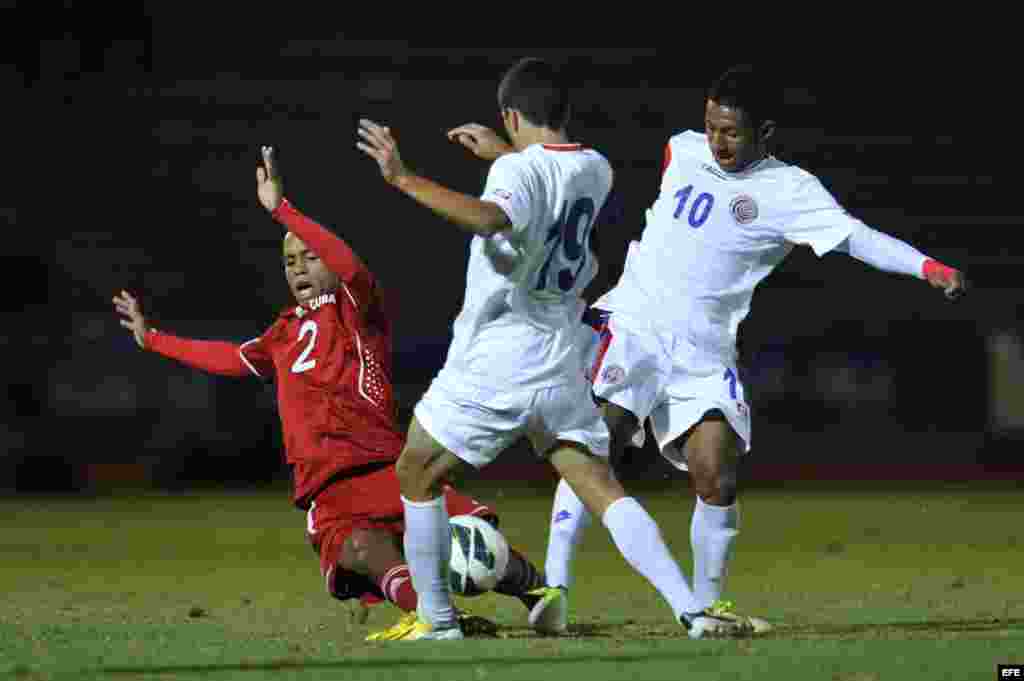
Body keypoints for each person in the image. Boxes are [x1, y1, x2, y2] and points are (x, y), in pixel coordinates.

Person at [541, 64, 968, 626]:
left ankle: (709, 607)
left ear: (765, 132)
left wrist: (927, 267)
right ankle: (554, 591)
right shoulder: (682, 150)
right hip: (636, 323)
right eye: (711, 126)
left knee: (716, 473)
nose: (717, 141)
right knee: (599, 442)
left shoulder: (789, 191)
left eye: (732, 132)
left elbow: (857, 238)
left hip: (704, 351)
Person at [356, 57, 756, 641]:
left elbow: (493, 217)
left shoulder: (515, 176)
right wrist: (505, 154)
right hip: (563, 354)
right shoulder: (597, 168)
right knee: (599, 484)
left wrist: (402, 177)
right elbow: (544, 184)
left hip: (499, 351)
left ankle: (437, 621)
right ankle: (691, 610)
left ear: (512, 114)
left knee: (415, 472)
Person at [112, 146, 551, 641]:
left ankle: (537, 591)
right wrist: (154, 340)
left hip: (384, 466)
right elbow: (229, 358)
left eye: (309, 256)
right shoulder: (281, 333)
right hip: (326, 486)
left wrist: (284, 211)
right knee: (358, 552)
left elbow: (351, 267)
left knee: (465, 541)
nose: (298, 268)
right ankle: (434, 617)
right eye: (289, 261)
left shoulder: (355, 307)